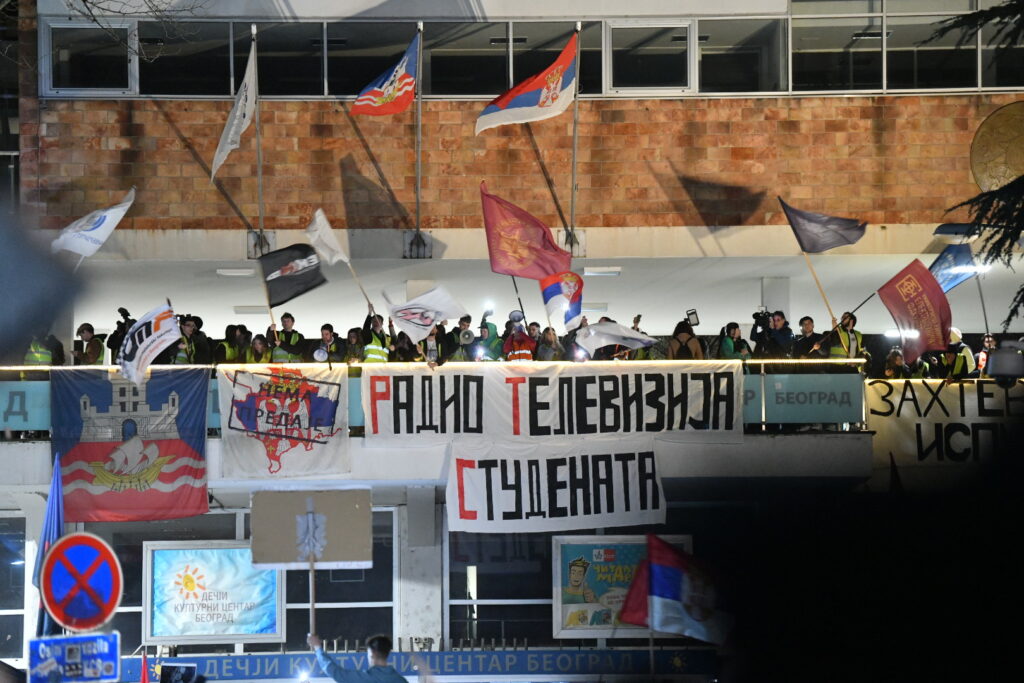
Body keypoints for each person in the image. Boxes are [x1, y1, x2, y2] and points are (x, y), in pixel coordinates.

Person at [307, 633, 407, 683]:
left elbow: (335, 672)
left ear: (372, 653)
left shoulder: (367, 678)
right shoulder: (400, 680)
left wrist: (317, 647)